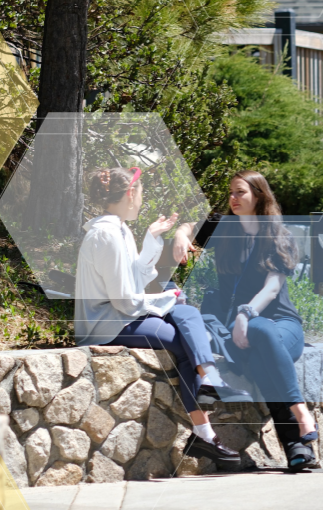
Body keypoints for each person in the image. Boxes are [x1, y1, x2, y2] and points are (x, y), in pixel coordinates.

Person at [75, 166, 241, 467]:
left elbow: (134, 279)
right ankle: (205, 429)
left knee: (186, 313)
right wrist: (162, 300)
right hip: (106, 324)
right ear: (129, 194)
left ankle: (208, 391)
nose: (142, 197)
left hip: (121, 316)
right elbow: (125, 300)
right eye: (141, 192)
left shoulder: (120, 230)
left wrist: (152, 239)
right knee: (183, 335)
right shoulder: (107, 235)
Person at [171, 170, 319, 471]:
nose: (233, 198)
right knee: (262, 359)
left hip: (281, 324)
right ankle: (297, 442)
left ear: (259, 196)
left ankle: (298, 423)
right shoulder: (225, 229)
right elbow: (189, 224)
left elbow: (272, 288)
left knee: (262, 330)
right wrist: (180, 235)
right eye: (231, 193)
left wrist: (245, 313)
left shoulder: (278, 236)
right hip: (237, 333)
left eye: (240, 192)